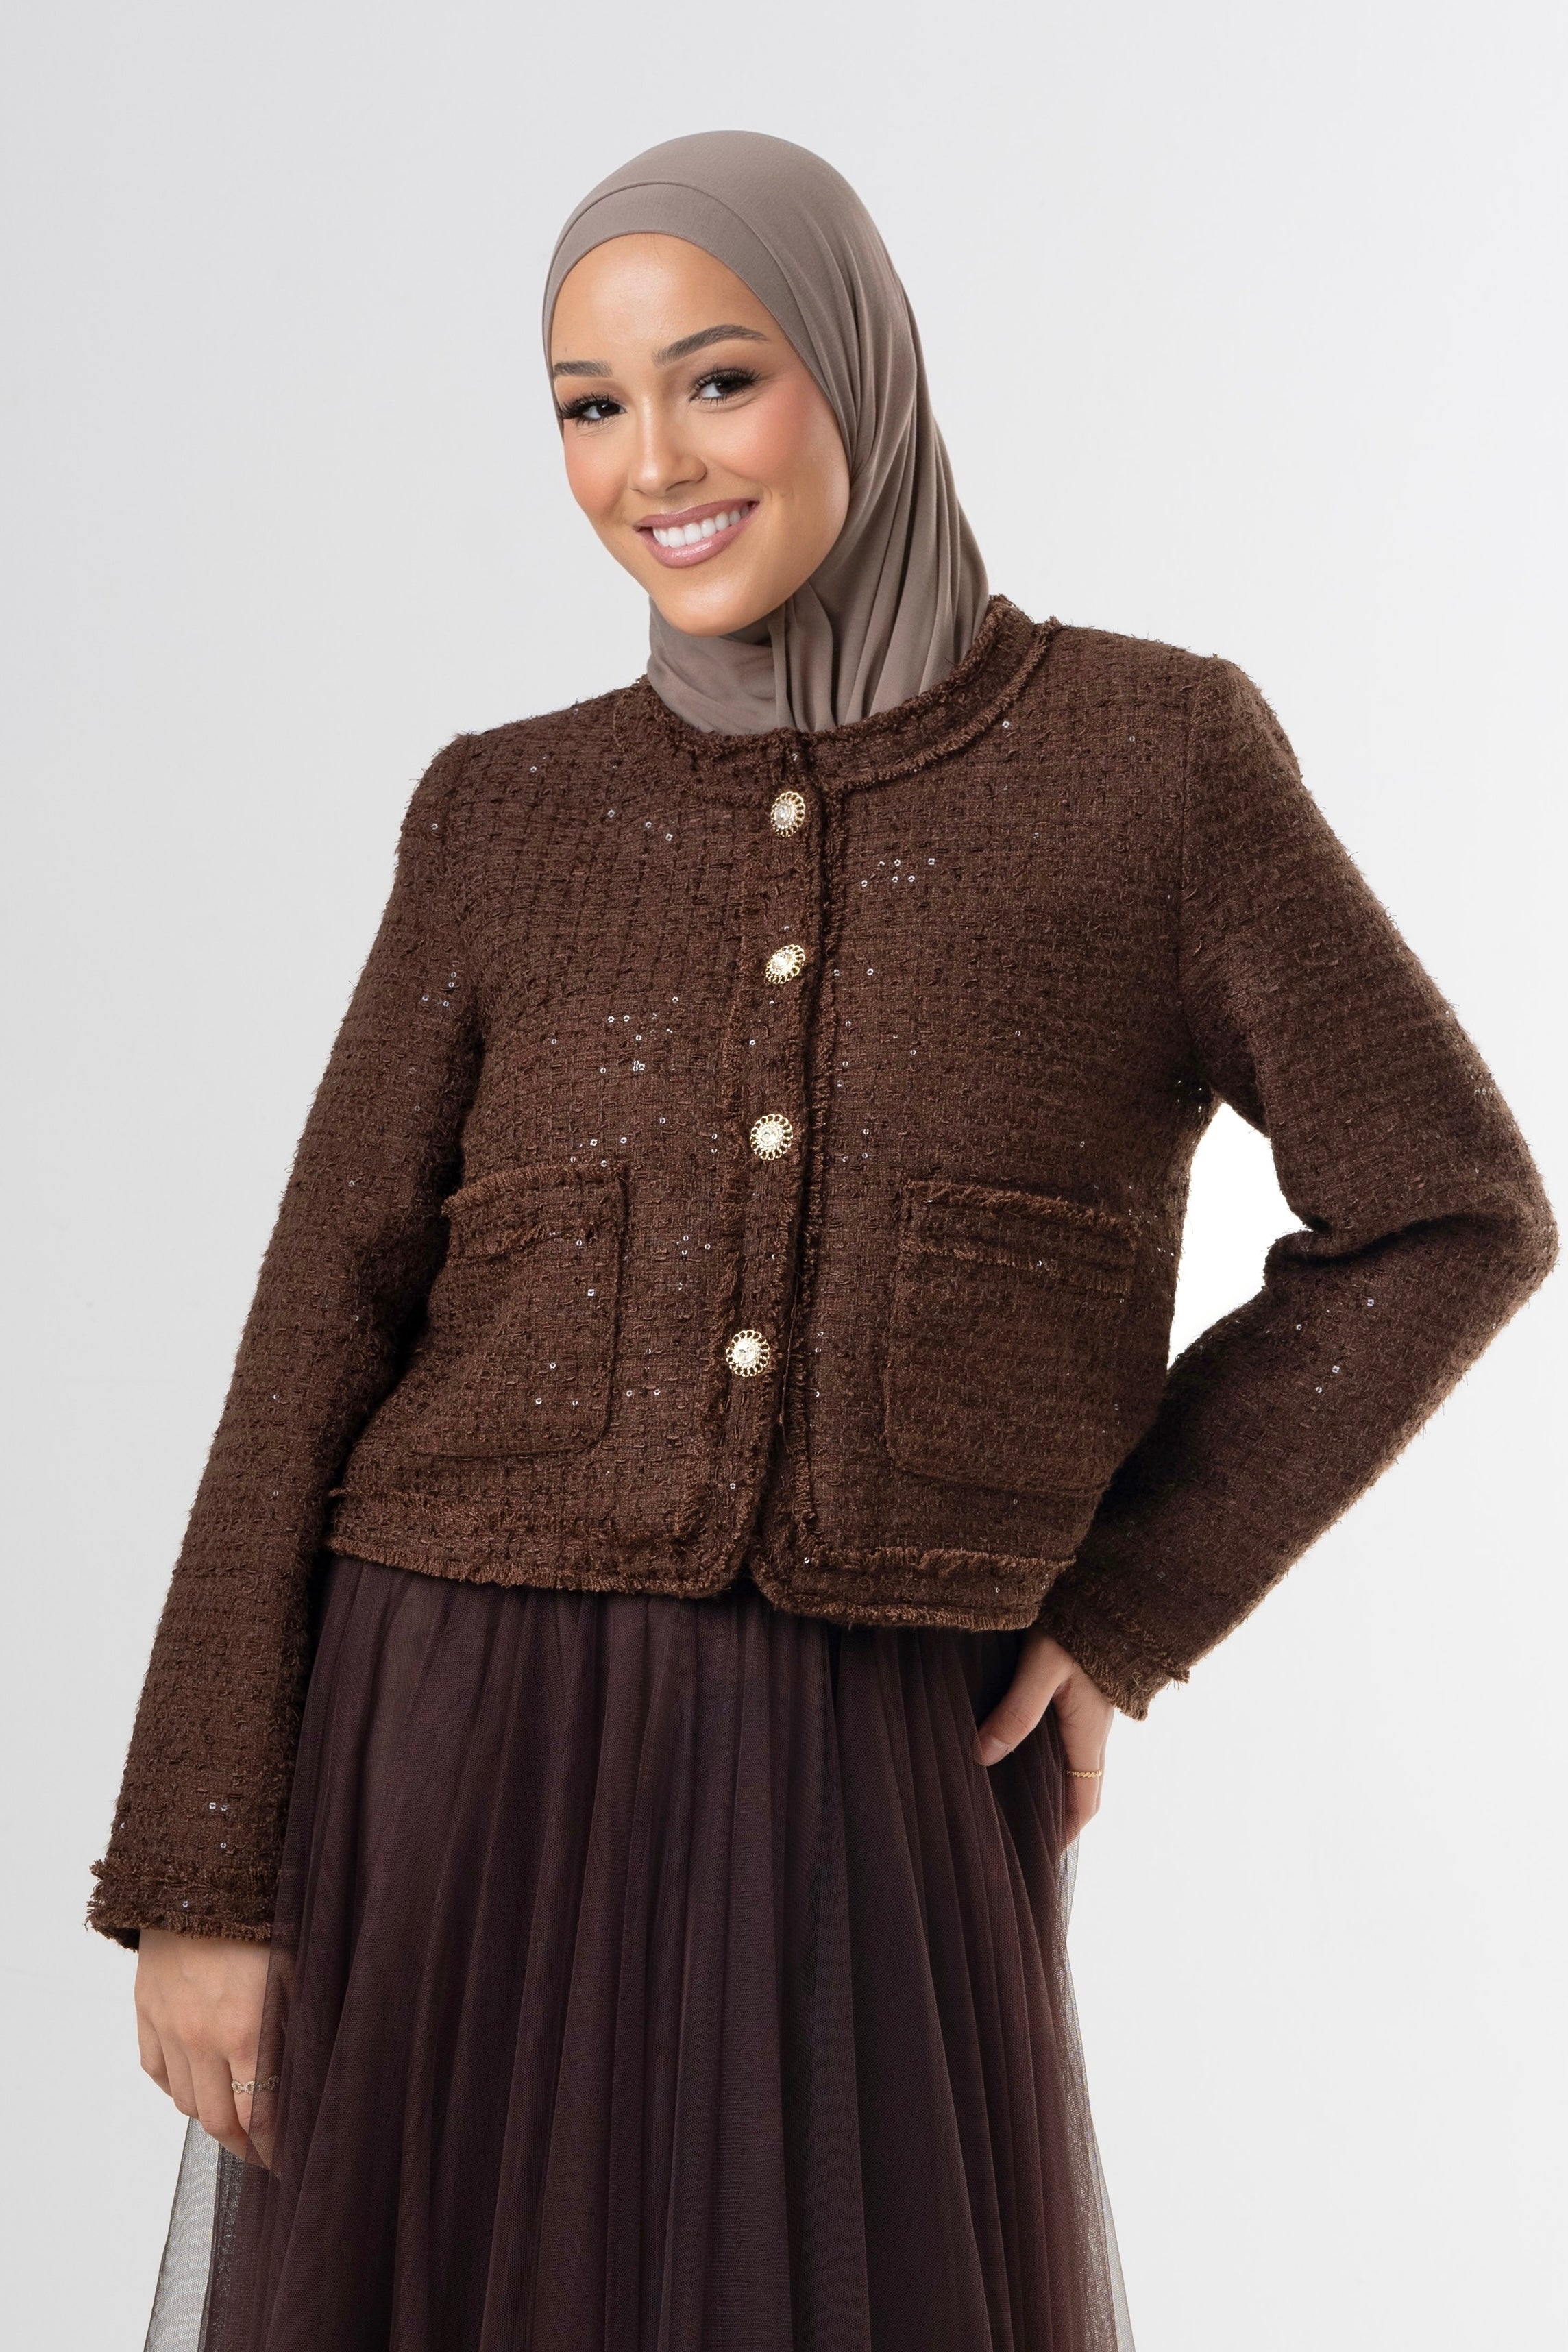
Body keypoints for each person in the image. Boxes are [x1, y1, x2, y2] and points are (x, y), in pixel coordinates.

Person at [91, 132, 1555, 2351]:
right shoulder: (504, 807)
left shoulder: (1157, 761)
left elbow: (1451, 1210)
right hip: (451, 1728)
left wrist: (1130, 1602)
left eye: (718, 379)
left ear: (860, 371)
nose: (652, 465)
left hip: (869, 1754)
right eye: (589, 406)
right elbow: (320, 1321)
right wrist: (207, 1864)